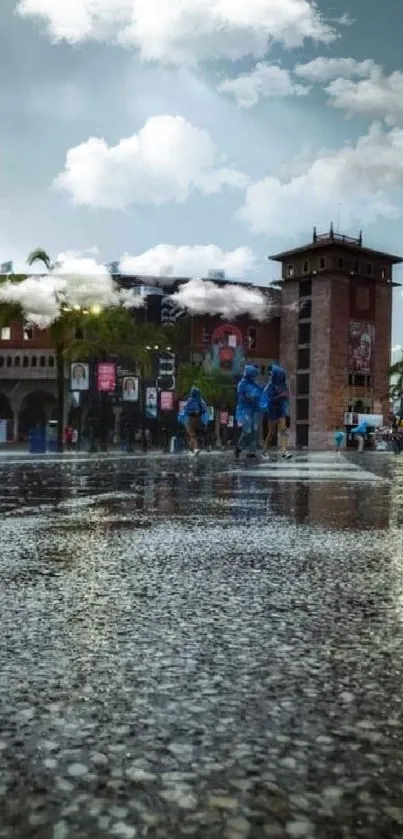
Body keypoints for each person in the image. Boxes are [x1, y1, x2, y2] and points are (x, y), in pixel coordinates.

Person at [260, 363, 292, 459]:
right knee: (272, 433)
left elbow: (286, 396)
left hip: (281, 410)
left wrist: (284, 396)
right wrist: (280, 396)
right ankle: (264, 451)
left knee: (283, 430)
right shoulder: (270, 386)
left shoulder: (284, 385)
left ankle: (284, 451)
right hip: (272, 411)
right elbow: (269, 399)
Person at [235, 364, 262, 460]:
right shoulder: (241, 384)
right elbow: (245, 396)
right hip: (244, 409)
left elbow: (260, 394)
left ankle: (252, 451)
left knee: (254, 430)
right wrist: (251, 397)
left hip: (255, 409)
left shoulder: (255, 385)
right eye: (253, 374)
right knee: (247, 430)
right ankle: (239, 447)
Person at [178, 386, 209, 456]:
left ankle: (194, 449)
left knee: (192, 436)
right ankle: (191, 450)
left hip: (191, 420)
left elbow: (186, 410)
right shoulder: (201, 401)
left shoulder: (190, 400)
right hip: (199, 420)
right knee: (194, 436)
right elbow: (205, 411)